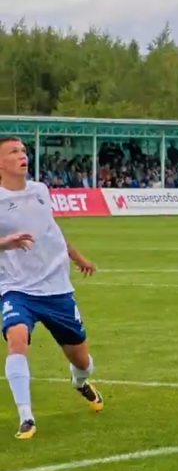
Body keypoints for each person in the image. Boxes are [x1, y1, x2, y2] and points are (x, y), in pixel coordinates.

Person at [0, 137, 103, 440]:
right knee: (17, 338)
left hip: (57, 290)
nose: (22, 156)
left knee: (82, 361)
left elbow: (51, 232)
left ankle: (80, 382)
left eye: (23, 151)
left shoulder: (41, 191)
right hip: (17, 288)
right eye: (13, 152)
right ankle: (26, 417)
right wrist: (6, 243)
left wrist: (78, 257)